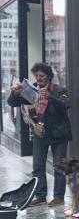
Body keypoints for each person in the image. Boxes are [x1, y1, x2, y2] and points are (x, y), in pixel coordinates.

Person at [7, 63, 72, 207]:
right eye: (36, 76)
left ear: (48, 76)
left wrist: (51, 98)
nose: (38, 78)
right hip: (40, 133)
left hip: (59, 134)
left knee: (59, 166)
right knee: (37, 166)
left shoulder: (59, 90)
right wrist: (15, 93)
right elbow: (12, 103)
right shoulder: (33, 90)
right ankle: (41, 195)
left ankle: (59, 196)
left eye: (41, 76)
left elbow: (66, 106)